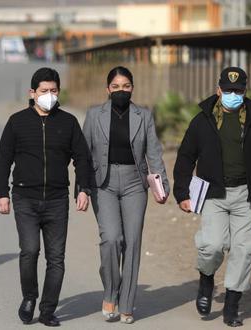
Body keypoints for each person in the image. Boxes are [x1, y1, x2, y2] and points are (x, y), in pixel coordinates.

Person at [173, 67, 251, 327]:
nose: (233, 94)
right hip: (213, 194)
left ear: (245, 91)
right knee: (211, 245)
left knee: (244, 249)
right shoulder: (202, 120)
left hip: (246, 194)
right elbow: (186, 157)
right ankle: (206, 280)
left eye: (238, 90)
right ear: (218, 89)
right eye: (228, 90)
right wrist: (182, 192)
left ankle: (232, 305)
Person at [0, 67, 91, 327]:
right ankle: (29, 298)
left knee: (56, 258)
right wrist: (2, 193)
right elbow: (4, 158)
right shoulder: (17, 122)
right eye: (44, 91)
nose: (49, 95)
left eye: (53, 91)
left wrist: (83, 188)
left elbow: (82, 157)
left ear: (59, 92)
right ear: (32, 93)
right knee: (29, 251)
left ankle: (48, 309)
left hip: (57, 200)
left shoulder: (68, 122)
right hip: (25, 197)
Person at [82, 66, 170, 324]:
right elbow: (84, 155)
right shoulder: (94, 115)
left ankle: (127, 304)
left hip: (135, 183)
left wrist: (162, 184)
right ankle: (110, 292)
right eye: (116, 86)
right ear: (108, 88)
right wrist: (83, 188)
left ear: (133, 88)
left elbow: (153, 151)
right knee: (111, 239)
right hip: (104, 184)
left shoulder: (144, 115)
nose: (121, 90)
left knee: (132, 243)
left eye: (126, 86)